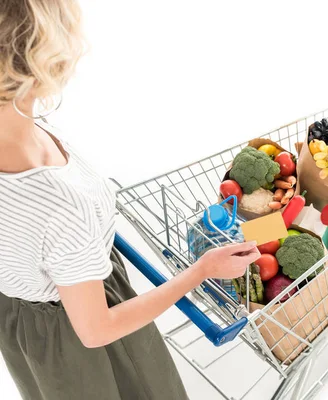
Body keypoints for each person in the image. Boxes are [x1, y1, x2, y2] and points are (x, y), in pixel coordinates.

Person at [0, 1, 260, 399]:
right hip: (79, 338)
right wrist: (201, 271)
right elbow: (96, 329)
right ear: (38, 61)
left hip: (23, 324)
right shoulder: (63, 204)